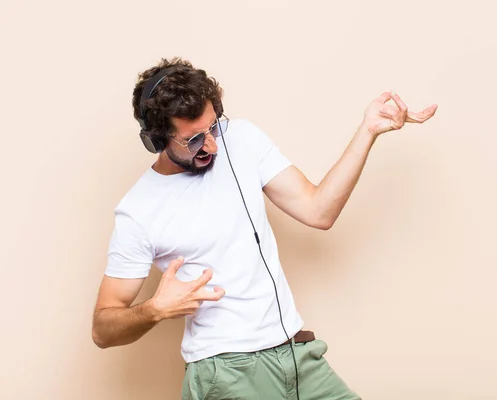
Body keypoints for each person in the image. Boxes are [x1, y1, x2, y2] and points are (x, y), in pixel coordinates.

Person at [92, 57, 437, 400]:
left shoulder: (242, 138)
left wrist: (368, 131)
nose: (211, 145)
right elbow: (103, 329)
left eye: (213, 127)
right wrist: (155, 308)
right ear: (156, 139)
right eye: (194, 139)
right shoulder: (138, 211)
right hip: (226, 373)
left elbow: (319, 211)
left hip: (297, 355)